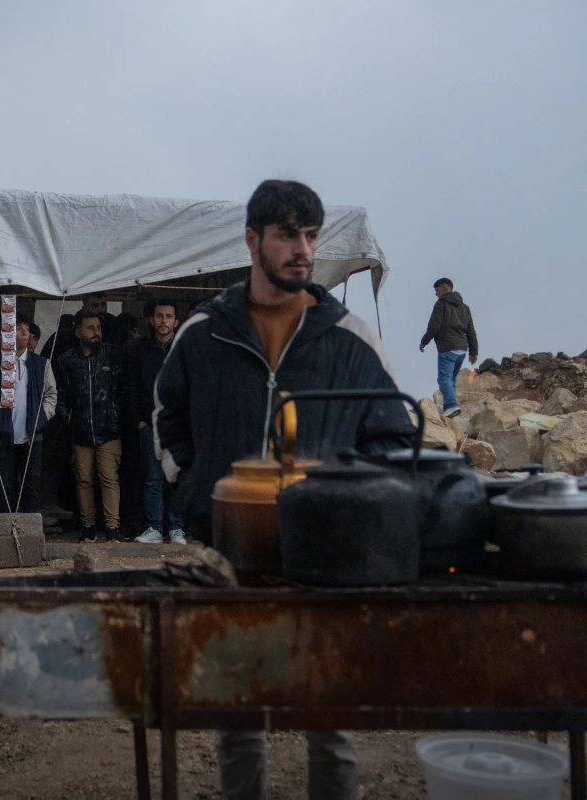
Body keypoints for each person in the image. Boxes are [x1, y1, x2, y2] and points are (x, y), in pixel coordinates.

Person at [154, 180, 416, 800]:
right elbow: (167, 420)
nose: (304, 249)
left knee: (330, 713)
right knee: (238, 711)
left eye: (311, 235)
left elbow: (392, 441)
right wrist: (197, 493)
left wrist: (344, 505)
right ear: (253, 240)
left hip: (326, 560)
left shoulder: (349, 338)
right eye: (288, 234)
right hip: (232, 553)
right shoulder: (204, 333)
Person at [54, 309, 127, 543]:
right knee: (83, 479)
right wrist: (69, 418)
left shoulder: (114, 356)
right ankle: (88, 526)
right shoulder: (66, 361)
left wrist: (116, 414)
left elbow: (125, 390)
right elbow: (59, 396)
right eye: (90, 328)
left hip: (109, 430)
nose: (96, 332)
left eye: (98, 328)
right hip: (80, 431)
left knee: (108, 477)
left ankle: (112, 527)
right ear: (78, 332)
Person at [0, 317, 57, 513]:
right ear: (7, 332)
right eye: (18, 328)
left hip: (32, 434)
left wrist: (42, 417)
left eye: (27, 329)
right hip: (4, 434)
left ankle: (28, 529)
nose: (25, 333)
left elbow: (51, 395)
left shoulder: (42, 364)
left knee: (31, 484)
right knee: (4, 486)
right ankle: (6, 528)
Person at [130, 299, 186, 545]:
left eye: (168, 316)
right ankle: (154, 527)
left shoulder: (185, 350)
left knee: (175, 478)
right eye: (160, 316)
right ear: (152, 319)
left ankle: (176, 528)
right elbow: (131, 389)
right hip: (149, 425)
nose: (164, 321)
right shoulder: (140, 351)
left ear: (176, 321)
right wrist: (138, 420)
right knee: (152, 478)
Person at [420, 278, 478, 417]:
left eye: (437, 290)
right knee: (451, 378)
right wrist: (473, 351)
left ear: (445, 288)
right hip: (462, 350)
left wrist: (424, 341)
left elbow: (434, 326)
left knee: (443, 378)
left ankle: (452, 405)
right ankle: (448, 408)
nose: (436, 294)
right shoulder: (465, 308)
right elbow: (471, 331)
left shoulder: (441, 304)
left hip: (447, 347)